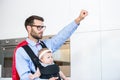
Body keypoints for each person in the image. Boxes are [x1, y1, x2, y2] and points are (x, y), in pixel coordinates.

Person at [12, 10, 88, 80]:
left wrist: (79, 19)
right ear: (29, 28)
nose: (42, 30)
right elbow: (25, 78)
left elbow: (62, 36)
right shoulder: (21, 51)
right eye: (39, 27)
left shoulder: (47, 44)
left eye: (42, 27)